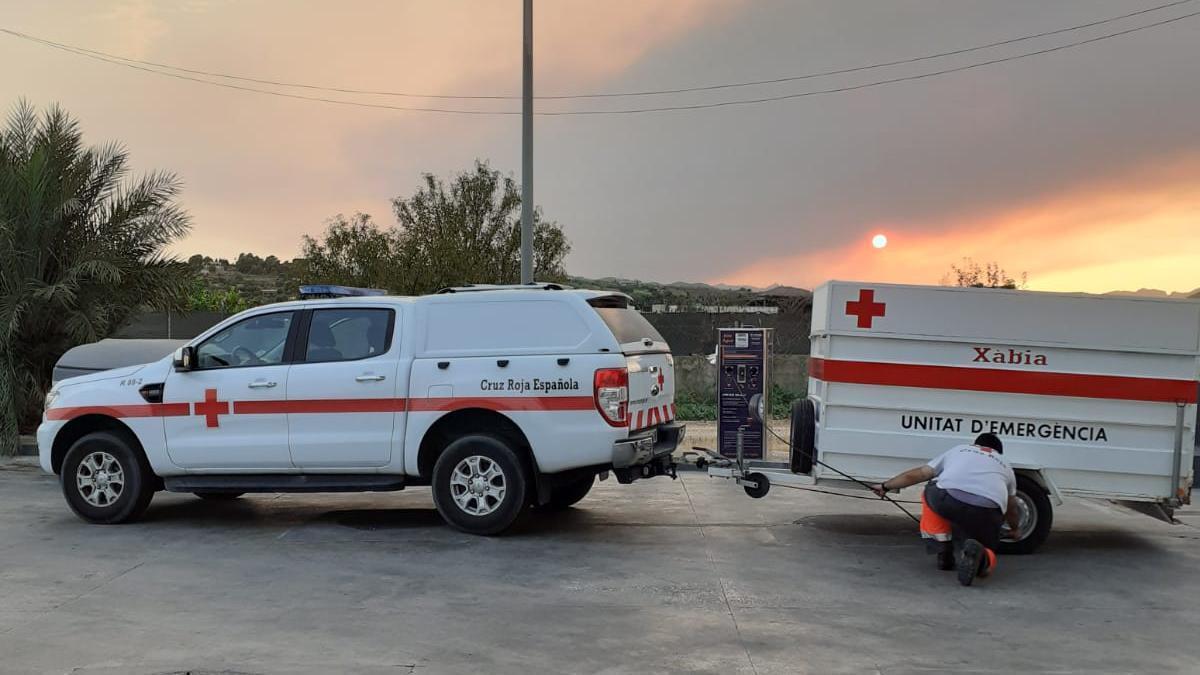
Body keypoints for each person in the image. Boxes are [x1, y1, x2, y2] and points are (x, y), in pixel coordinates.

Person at [871, 433, 1020, 586]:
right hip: (987, 508)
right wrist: (1015, 529)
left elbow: (920, 474)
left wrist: (885, 486)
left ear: (975, 445)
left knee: (931, 487)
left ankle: (943, 547)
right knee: (988, 547)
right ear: (998, 451)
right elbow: (1011, 507)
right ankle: (982, 557)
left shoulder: (960, 450)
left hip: (948, 499)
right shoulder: (1005, 464)